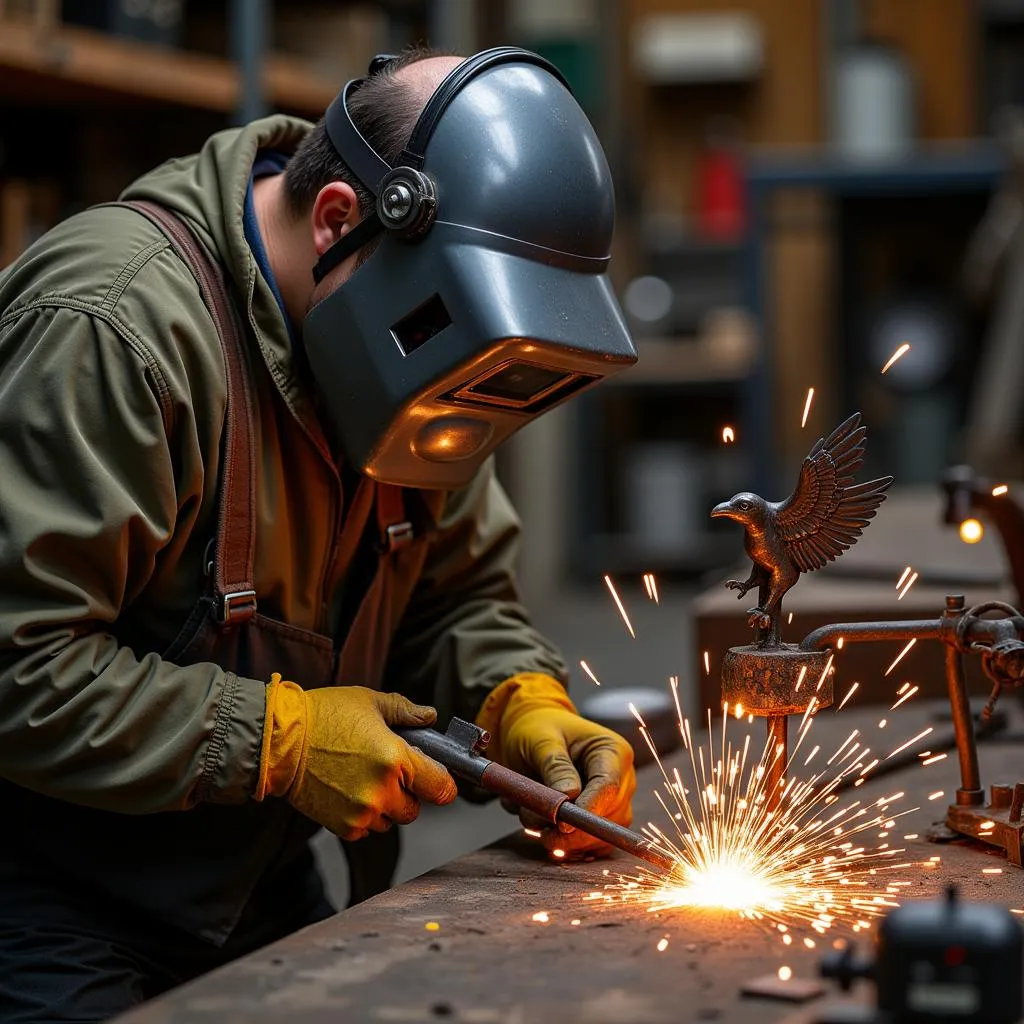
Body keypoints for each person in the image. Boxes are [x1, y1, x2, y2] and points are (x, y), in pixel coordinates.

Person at [0, 46, 639, 1022]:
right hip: (45, 887)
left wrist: (519, 695)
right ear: (340, 218)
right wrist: (281, 742)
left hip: (244, 870)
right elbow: (17, 663)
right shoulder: (116, 325)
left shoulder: (414, 346)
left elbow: (455, 590)